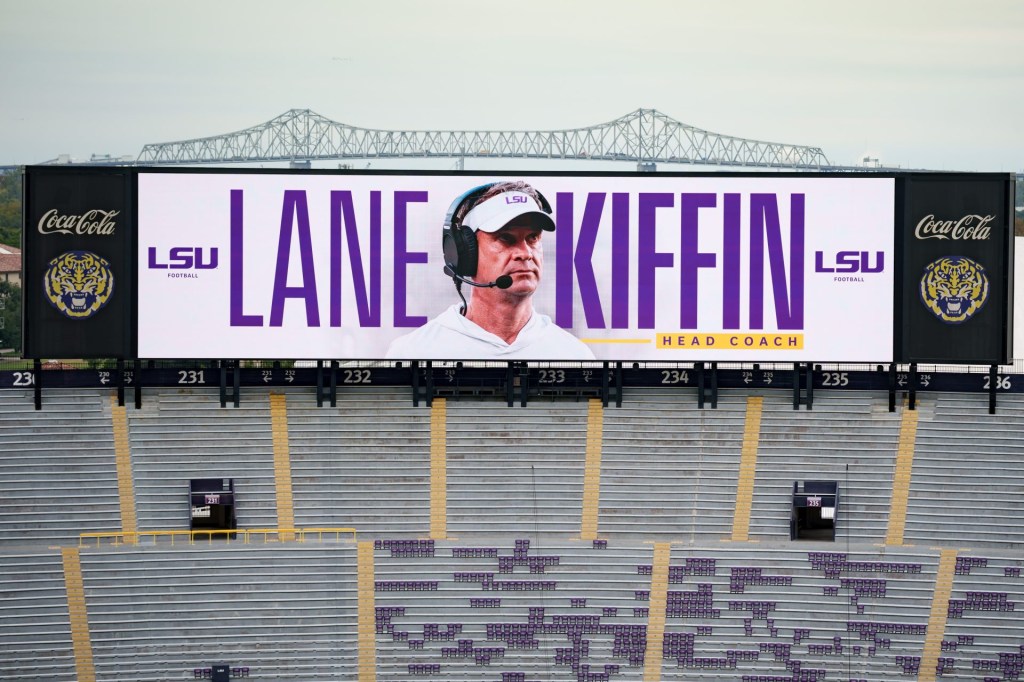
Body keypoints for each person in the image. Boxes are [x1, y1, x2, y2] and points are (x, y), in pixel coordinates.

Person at [386, 181, 595, 360]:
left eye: (533, 238)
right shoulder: (412, 353)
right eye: (506, 238)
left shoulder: (574, 355)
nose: (525, 253)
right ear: (465, 253)